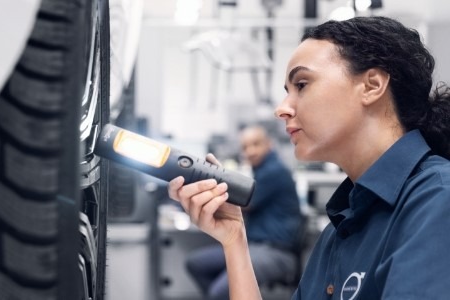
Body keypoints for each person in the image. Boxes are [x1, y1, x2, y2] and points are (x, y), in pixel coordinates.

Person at [168, 16, 450, 300]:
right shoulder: (341, 230)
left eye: (302, 84)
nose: (281, 109)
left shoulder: (436, 200)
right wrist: (234, 240)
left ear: (371, 85)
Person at [185, 125, 302, 300]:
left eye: (256, 144)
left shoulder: (274, 171)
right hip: (253, 245)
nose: (251, 151)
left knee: (219, 292)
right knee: (196, 264)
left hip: (276, 252)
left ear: (269, 144)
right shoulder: (261, 171)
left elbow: (244, 203)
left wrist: (206, 184)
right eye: (245, 147)